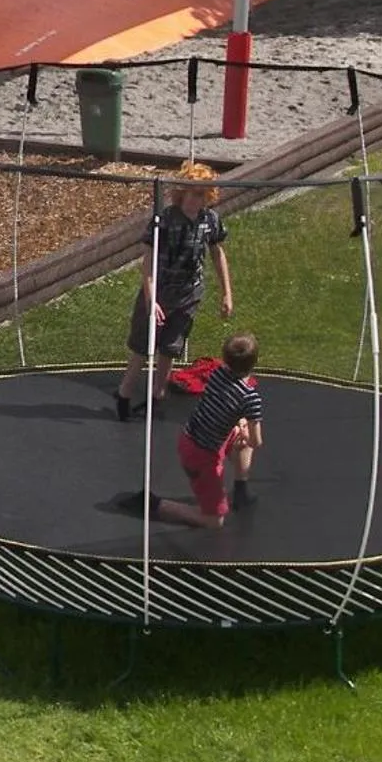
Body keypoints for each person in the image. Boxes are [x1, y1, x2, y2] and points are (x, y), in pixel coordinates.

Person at [115, 161, 233, 420]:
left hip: (188, 295)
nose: (194, 199)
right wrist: (151, 299)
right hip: (159, 292)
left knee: (170, 347)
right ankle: (124, 394)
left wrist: (227, 292)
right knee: (142, 346)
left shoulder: (210, 220)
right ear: (181, 192)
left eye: (200, 194)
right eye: (190, 192)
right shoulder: (165, 220)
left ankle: (158, 394)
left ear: (207, 197)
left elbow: (217, 253)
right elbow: (148, 261)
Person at [146, 333, 263, 528]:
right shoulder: (250, 397)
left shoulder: (217, 373)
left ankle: (241, 491)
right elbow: (256, 441)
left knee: (241, 435)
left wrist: (241, 425)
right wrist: (245, 435)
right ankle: (156, 504)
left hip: (190, 437)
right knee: (214, 520)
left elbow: (226, 404)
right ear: (254, 362)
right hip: (202, 455)